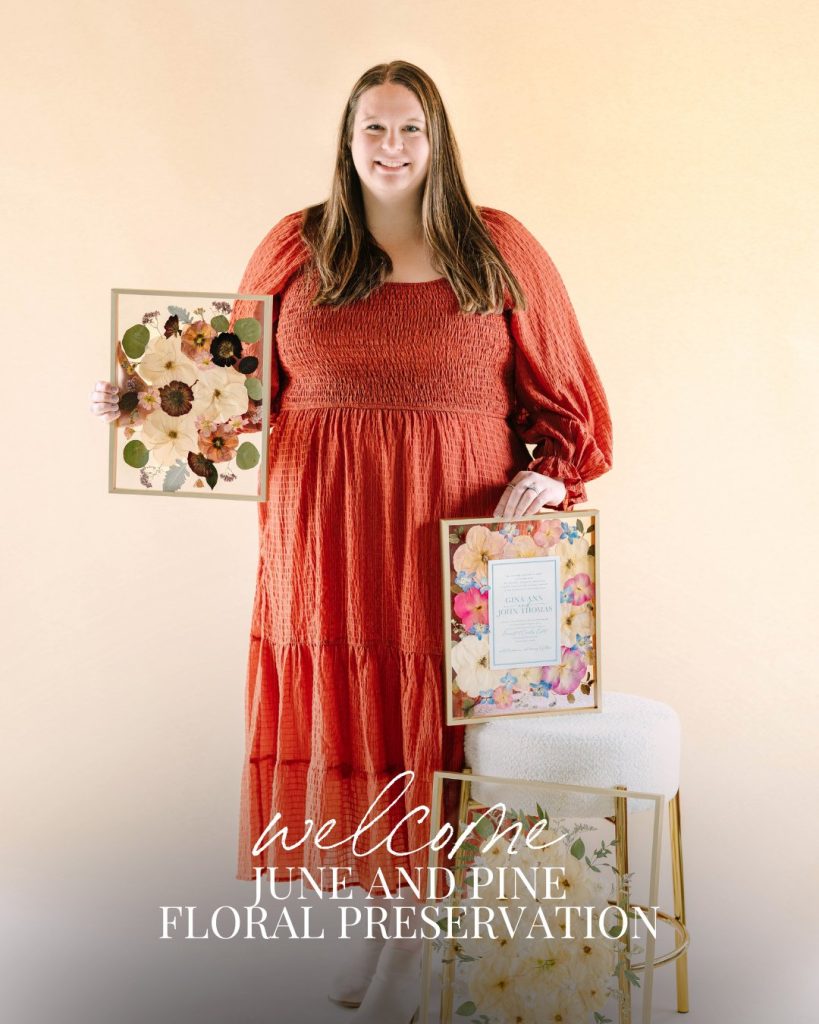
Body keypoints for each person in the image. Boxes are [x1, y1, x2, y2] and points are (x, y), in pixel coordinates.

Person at [90, 60, 612, 1024]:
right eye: (372, 129)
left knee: (434, 721)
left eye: (409, 129)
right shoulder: (300, 245)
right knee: (355, 706)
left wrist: (553, 470)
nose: (391, 148)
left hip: (449, 524)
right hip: (319, 524)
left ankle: (416, 929)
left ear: (437, 138)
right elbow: (229, 390)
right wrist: (140, 399)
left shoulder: (499, 247)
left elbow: (563, 394)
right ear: (346, 138)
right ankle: (386, 917)